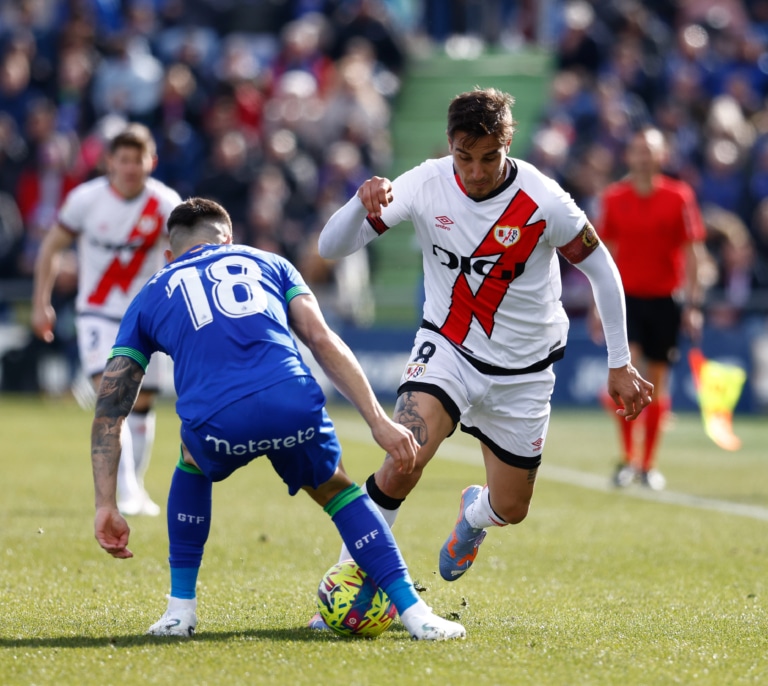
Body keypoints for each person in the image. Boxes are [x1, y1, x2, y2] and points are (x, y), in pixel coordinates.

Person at [312, 87, 653, 602]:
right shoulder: (424, 183)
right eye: (463, 157)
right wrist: (358, 206)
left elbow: (602, 269)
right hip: (447, 348)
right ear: (449, 145)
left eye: (488, 158)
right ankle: (347, 585)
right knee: (403, 457)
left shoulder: (543, 200)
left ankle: (474, 514)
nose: (475, 171)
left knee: (512, 507)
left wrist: (620, 363)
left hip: (525, 370)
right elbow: (330, 247)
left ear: (508, 144)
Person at [89, 197, 466, 641]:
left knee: (191, 457)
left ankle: (179, 611)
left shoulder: (151, 292)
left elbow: (111, 405)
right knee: (337, 490)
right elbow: (322, 341)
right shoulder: (269, 262)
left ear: (170, 255)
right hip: (290, 401)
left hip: (217, 421)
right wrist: (378, 420)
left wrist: (106, 503)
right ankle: (416, 613)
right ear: (228, 239)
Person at [32, 123, 182, 516]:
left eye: (139, 159)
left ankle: (137, 486)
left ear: (152, 161)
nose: (131, 167)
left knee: (143, 402)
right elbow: (51, 247)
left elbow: (187, 256)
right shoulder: (85, 200)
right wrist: (40, 303)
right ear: (109, 162)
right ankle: (127, 491)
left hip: (148, 314)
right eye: (124, 159)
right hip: (97, 313)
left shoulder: (165, 203)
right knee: (112, 395)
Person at [591, 126, 707, 490]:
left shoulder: (679, 196)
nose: (643, 157)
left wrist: (692, 304)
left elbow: (692, 253)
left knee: (658, 384)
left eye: (650, 151)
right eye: (637, 151)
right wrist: (599, 306)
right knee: (629, 372)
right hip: (626, 301)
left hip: (665, 300)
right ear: (629, 157)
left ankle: (647, 464)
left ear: (662, 157)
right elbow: (602, 254)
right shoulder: (613, 197)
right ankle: (627, 459)